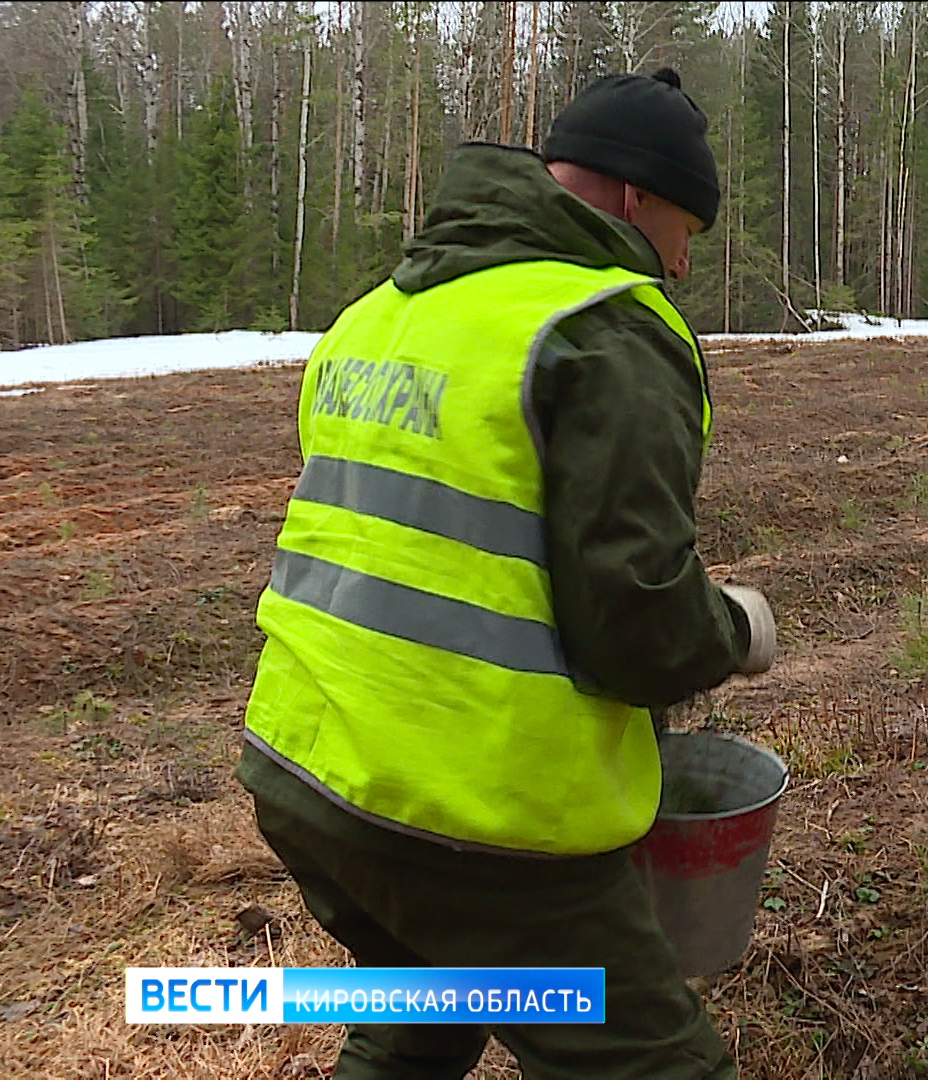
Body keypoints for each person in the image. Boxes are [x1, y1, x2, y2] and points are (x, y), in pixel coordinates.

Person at [237, 68, 772, 1080]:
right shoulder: (606, 326)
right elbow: (638, 627)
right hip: (464, 814)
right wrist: (737, 630)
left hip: (304, 773)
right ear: (633, 198)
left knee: (433, 1009)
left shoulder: (380, 314)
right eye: (687, 229)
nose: (685, 262)